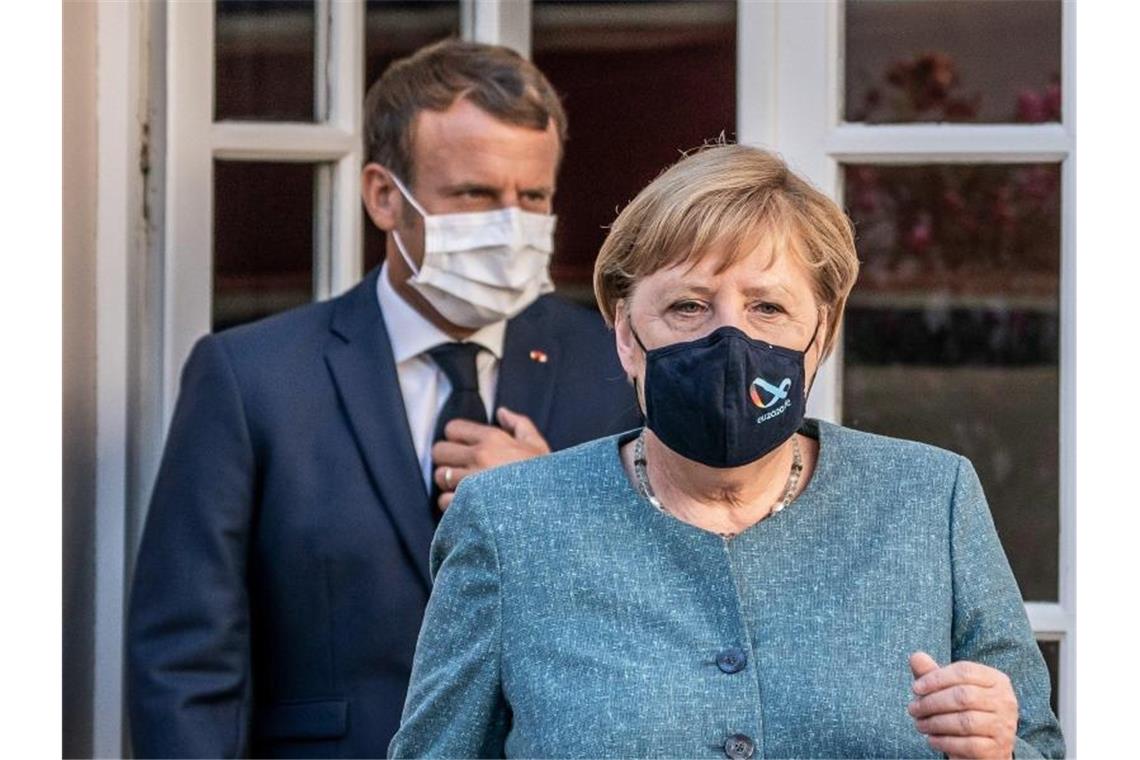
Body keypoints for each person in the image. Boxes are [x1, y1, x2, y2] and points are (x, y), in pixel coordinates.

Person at [388, 144, 1065, 759]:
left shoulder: (929, 501)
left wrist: (1000, 751)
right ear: (626, 333)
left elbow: (1036, 743)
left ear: (821, 332)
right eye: (688, 306)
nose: (729, 340)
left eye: (768, 307)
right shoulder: (510, 523)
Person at [127, 40, 640, 758]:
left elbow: (668, 621)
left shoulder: (615, 368)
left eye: (533, 198)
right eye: (474, 195)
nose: (510, 224)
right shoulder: (254, 378)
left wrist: (550, 515)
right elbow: (185, 662)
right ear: (382, 197)